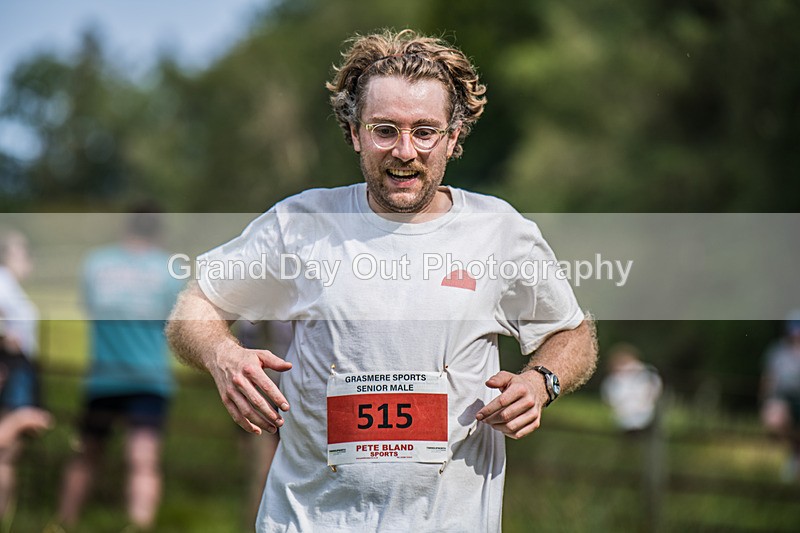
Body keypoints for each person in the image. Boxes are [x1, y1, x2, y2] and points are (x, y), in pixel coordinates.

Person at [166, 29, 597, 532]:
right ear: (353, 132)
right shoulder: (299, 224)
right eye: (384, 129)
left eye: (425, 130)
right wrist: (223, 355)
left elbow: (572, 332)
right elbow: (195, 306)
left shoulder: (500, 232)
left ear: (454, 137)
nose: (405, 151)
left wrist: (540, 381)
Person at [55, 208, 183, 530]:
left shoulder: (97, 264)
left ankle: (61, 524)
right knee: (143, 461)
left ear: (125, 226)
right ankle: (138, 527)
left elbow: (88, 306)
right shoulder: (169, 270)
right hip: (149, 379)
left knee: (85, 454)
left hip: (103, 376)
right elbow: (176, 320)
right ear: (159, 231)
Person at [0, 228, 52, 519]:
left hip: (18, 369)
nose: (28, 258)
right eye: (21, 250)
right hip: (12, 369)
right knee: (6, 452)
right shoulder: (1, 282)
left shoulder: (9, 286)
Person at [760, 311, 800, 482]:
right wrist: (764, 401)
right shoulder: (778, 352)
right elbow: (768, 380)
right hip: (784, 399)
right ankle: (795, 453)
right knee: (774, 417)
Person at [601, 343, 663, 435]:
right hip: (624, 420)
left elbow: (654, 391)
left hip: (645, 417)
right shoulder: (612, 381)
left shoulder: (647, 374)